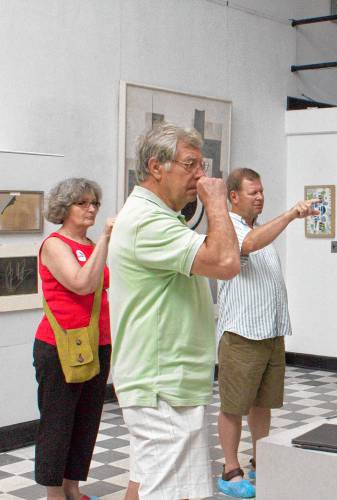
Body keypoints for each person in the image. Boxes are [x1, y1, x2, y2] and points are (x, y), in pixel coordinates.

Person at [108, 122, 240, 500]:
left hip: (167, 379)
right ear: (156, 167)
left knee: (148, 482)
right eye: (190, 165)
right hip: (161, 383)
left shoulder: (159, 217)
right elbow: (226, 262)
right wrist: (216, 203)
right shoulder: (147, 221)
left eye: (201, 165)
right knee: (168, 491)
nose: (200, 175)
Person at [215, 168, 318, 498]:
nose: (260, 197)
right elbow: (248, 245)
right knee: (234, 406)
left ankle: (261, 459)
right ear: (234, 197)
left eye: (261, 191)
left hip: (270, 333)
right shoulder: (229, 227)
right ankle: (230, 469)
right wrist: (290, 215)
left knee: (263, 404)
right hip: (242, 334)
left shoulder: (256, 229)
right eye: (252, 192)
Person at [33, 178, 114, 500]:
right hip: (60, 346)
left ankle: (72, 488)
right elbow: (81, 283)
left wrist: (102, 241)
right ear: (64, 208)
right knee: (58, 423)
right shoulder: (55, 244)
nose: (91, 208)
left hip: (96, 342)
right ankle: (54, 493)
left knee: (86, 422)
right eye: (82, 203)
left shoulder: (91, 245)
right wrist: (107, 237)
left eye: (94, 202)